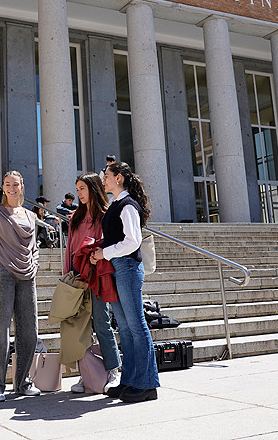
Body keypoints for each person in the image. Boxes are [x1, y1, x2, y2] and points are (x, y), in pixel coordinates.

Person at [90, 162, 159, 403]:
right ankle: (130, 380)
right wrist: (101, 251)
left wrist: (104, 253)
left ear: (118, 178)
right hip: (118, 267)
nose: (104, 181)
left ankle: (147, 384)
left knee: (136, 326)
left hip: (127, 266)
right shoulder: (117, 204)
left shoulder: (128, 205)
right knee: (126, 328)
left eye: (107, 176)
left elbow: (132, 242)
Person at [0, 171, 41, 402]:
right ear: (3, 187)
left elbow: (34, 246)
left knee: (30, 331)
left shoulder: (30, 215)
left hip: (28, 275)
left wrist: (35, 263)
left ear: (22, 186)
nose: (11, 188)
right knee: (0, 330)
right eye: (7, 184)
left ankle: (23, 382)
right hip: (4, 274)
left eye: (15, 184)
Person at [65, 173, 121, 394]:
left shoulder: (105, 215)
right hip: (77, 276)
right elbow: (69, 249)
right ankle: (86, 373)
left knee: (102, 322)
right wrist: (67, 276)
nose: (79, 193)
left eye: (82, 188)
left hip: (97, 275)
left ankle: (113, 370)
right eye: (77, 189)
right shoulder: (75, 218)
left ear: (93, 188)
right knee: (81, 326)